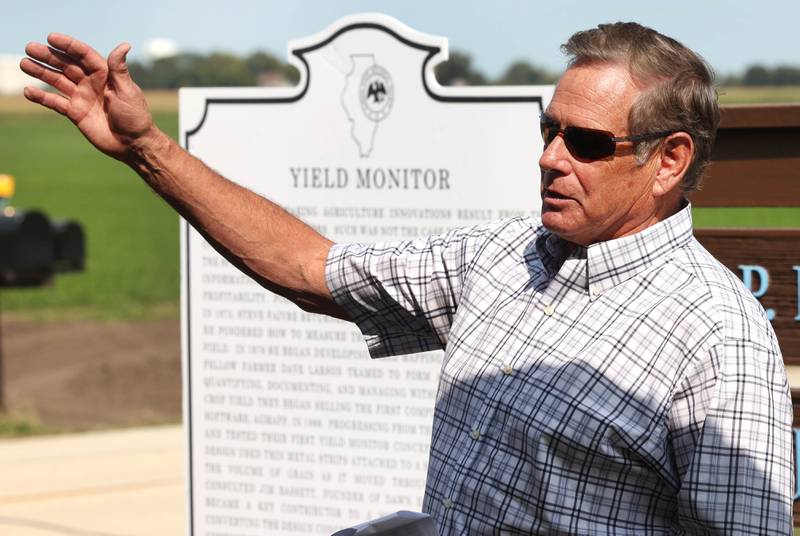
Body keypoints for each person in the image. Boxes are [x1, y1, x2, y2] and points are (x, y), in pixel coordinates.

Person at [21, 21, 792, 535]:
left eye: (586, 142)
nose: (551, 157)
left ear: (670, 160)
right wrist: (147, 147)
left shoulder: (718, 340)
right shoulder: (504, 257)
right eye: (548, 129)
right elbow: (310, 270)